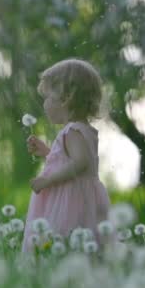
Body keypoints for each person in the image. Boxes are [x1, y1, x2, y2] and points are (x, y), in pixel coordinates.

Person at [22, 59, 110, 251]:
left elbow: (80, 164)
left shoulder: (72, 131)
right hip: (85, 196)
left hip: (70, 200)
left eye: (48, 97)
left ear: (66, 98)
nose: (44, 104)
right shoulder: (84, 129)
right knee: (86, 247)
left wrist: (47, 181)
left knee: (65, 243)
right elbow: (70, 162)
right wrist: (48, 152)